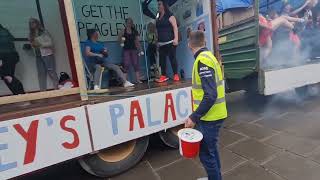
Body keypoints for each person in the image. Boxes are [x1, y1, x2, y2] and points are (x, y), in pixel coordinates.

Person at [185, 31, 227, 180]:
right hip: (215, 114)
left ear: (189, 45)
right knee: (211, 150)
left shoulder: (202, 61)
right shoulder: (210, 57)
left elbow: (210, 95)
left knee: (206, 154)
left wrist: (194, 117)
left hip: (211, 117)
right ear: (205, 42)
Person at [29, 18, 59, 91]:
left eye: (33, 22)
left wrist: (40, 44)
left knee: (51, 72)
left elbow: (50, 43)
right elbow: (33, 45)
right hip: (38, 56)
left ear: (37, 23)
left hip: (47, 54)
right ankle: (43, 92)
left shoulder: (44, 32)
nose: (32, 24)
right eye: (30, 23)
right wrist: (32, 45)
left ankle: (57, 88)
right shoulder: (30, 34)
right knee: (41, 74)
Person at [156, 0, 180, 83]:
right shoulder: (158, 17)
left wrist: (176, 39)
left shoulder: (170, 15)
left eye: (159, 4)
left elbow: (175, 27)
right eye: (158, 4)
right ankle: (163, 76)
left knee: (172, 58)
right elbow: (157, 30)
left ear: (163, 5)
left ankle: (176, 74)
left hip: (170, 41)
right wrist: (157, 42)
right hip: (161, 43)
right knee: (162, 60)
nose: (158, 6)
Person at [0, 24, 25, 95]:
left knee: (8, 77)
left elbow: (3, 46)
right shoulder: (5, 31)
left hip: (5, 57)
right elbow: (11, 40)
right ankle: (20, 96)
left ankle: (22, 96)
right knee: (8, 77)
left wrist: (1, 59)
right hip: (12, 56)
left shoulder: (2, 33)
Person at [119, 18, 144, 84]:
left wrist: (140, 50)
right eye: (128, 22)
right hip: (126, 50)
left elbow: (137, 41)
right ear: (126, 23)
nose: (129, 24)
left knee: (136, 64)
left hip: (134, 49)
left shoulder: (134, 31)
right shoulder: (123, 31)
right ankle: (125, 81)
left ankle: (137, 80)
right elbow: (119, 40)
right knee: (126, 64)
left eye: (130, 22)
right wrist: (121, 41)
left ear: (132, 23)